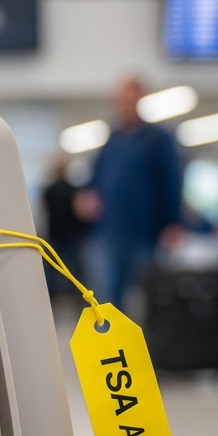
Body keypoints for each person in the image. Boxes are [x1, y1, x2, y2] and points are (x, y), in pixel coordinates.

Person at [76, 76, 184, 310]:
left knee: (145, 300)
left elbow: (171, 182)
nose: (123, 106)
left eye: (128, 100)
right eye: (119, 101)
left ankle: (142, 345)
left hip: (144, 235)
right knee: (105, 301)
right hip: (107, 233)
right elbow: (94, 180)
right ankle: (115, 347)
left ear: (140, 100)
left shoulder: (157, 139)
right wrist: (86, 197)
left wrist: (173, 223)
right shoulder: (111, 141)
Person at [41, 155, 90, 298]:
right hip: (63, 236)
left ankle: (77, 297)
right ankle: (77, 297)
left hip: (65, 236)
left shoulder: (58, 190)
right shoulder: (63, 190)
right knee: (69, 271)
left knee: (71, 270)